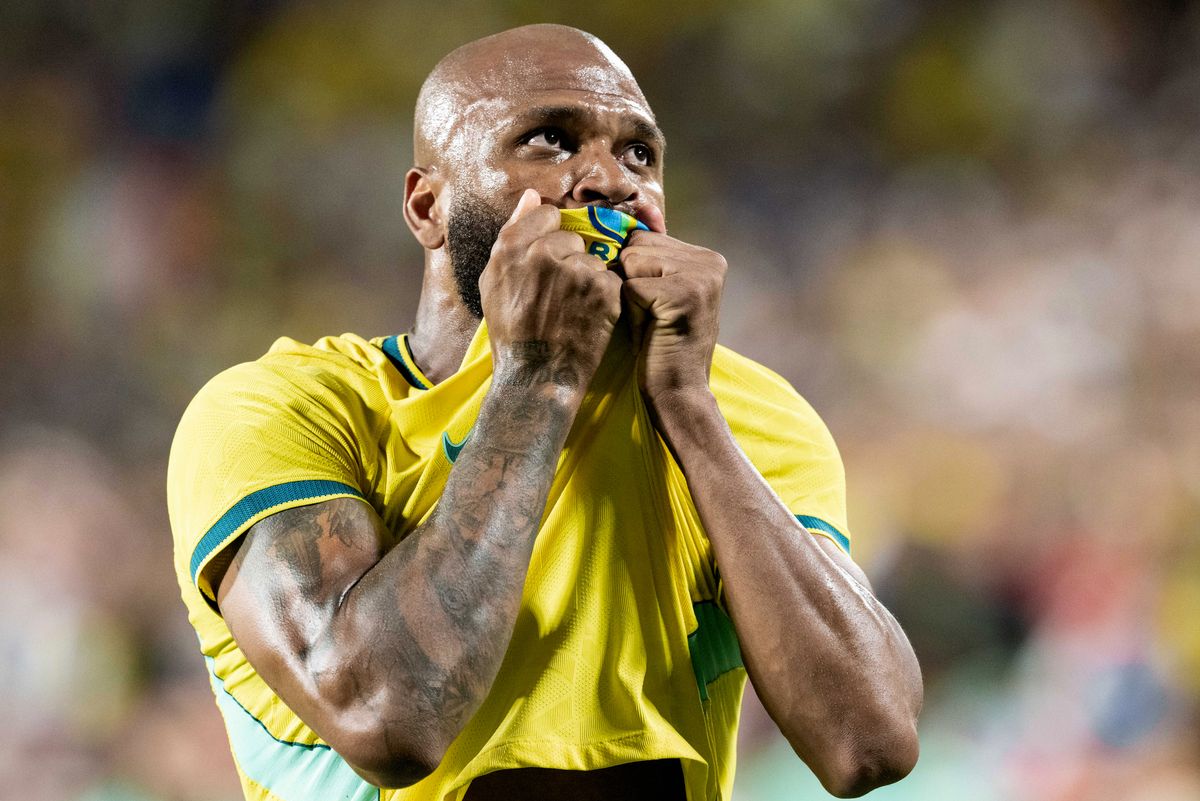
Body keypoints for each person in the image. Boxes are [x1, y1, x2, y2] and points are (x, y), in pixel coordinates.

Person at [168, 23, 922, 801]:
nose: (608, 181)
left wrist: (691, 410)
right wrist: (536, 376)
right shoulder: (282, 411)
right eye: (550, 140)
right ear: (428, 206)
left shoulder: (747, 414)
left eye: (639, 154)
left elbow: (867, 744)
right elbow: (384, 718)